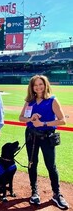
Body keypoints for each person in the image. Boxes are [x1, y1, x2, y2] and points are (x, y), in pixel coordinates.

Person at [19, 75, 69, 209]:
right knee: (32, 163)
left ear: (45, 85)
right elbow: (21, 118)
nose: (38, 87)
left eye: (41, 84)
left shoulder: (52, 100)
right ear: (32, 87)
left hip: (47, 137)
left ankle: (57, 194)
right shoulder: (29, 101)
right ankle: (34, 192)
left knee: (51, 166)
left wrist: (44, 123)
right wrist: (31, 119)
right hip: (31, 136)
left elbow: (63, 120)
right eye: (35, 85)